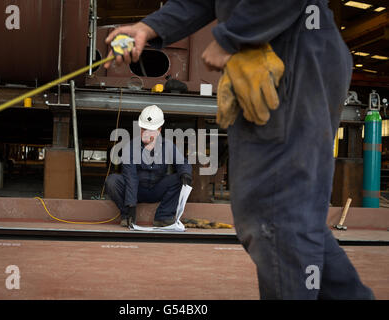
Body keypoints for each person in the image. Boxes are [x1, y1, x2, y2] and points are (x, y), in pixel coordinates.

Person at [104, 1, 375, 299]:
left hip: (287, 50)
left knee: (276, 211)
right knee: (285, 213)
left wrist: (235, 35)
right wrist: (149, 27)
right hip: (268, 51)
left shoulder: (167, 146)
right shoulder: (134, 147)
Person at [105, 105, 192, 227]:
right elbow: (131, 177)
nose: (146, 133)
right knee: (112, 181)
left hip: (157, 189)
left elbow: (182, 162)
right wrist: (131, 205)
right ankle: (127, 216)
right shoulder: (130, 147)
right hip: (137, 190)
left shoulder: (167, 146)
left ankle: (163, 216)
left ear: (159, 130)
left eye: (151, 130)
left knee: (180, 178)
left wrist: (185, 173)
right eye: (144, 129)